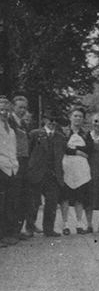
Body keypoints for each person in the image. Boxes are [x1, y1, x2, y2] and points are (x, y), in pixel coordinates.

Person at [27, 110, 66, 237]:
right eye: (50, 120)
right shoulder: (35, 134)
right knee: (33, 203)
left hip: (53, 175)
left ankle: (48, 229)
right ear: (44, 120)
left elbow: (63, 154)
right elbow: (28, 152)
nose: (52, 123)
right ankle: (30, 227)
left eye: (55, 120)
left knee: (52, 203)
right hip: (37, 174)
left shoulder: (60, 137)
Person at [60, 107, 92, 235]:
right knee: (65, 197)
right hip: (66, 165)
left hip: (81, 167)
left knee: (80, 197)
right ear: (70, 117)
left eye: (80, 116)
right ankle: (65, 224)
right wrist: (77, 151)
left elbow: (89, 148)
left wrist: (73, 147)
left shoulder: (86, 134)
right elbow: (62, 147)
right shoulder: (63, 132)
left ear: (83, 119)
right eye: (75, 116)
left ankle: (79, 224)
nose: (78, 118)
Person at [8, 95, 36, 239]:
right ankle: (11, 232)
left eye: (24, 107)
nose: (22, 110)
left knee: (24, 197)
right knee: (14, 197)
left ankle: (18, 230)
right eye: (20, 107)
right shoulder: (8, 121)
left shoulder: (24, 124)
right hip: (13, 161)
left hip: (25, 162)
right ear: (13, 107)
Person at [0, 97, 20, 247]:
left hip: (12, 169)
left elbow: (12, 149)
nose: (3, 112)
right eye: (1, 109)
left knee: (10, 203)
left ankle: (8, 234)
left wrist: (15, 164)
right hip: (1, 167)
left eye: (6, 110)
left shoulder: (11, 129)